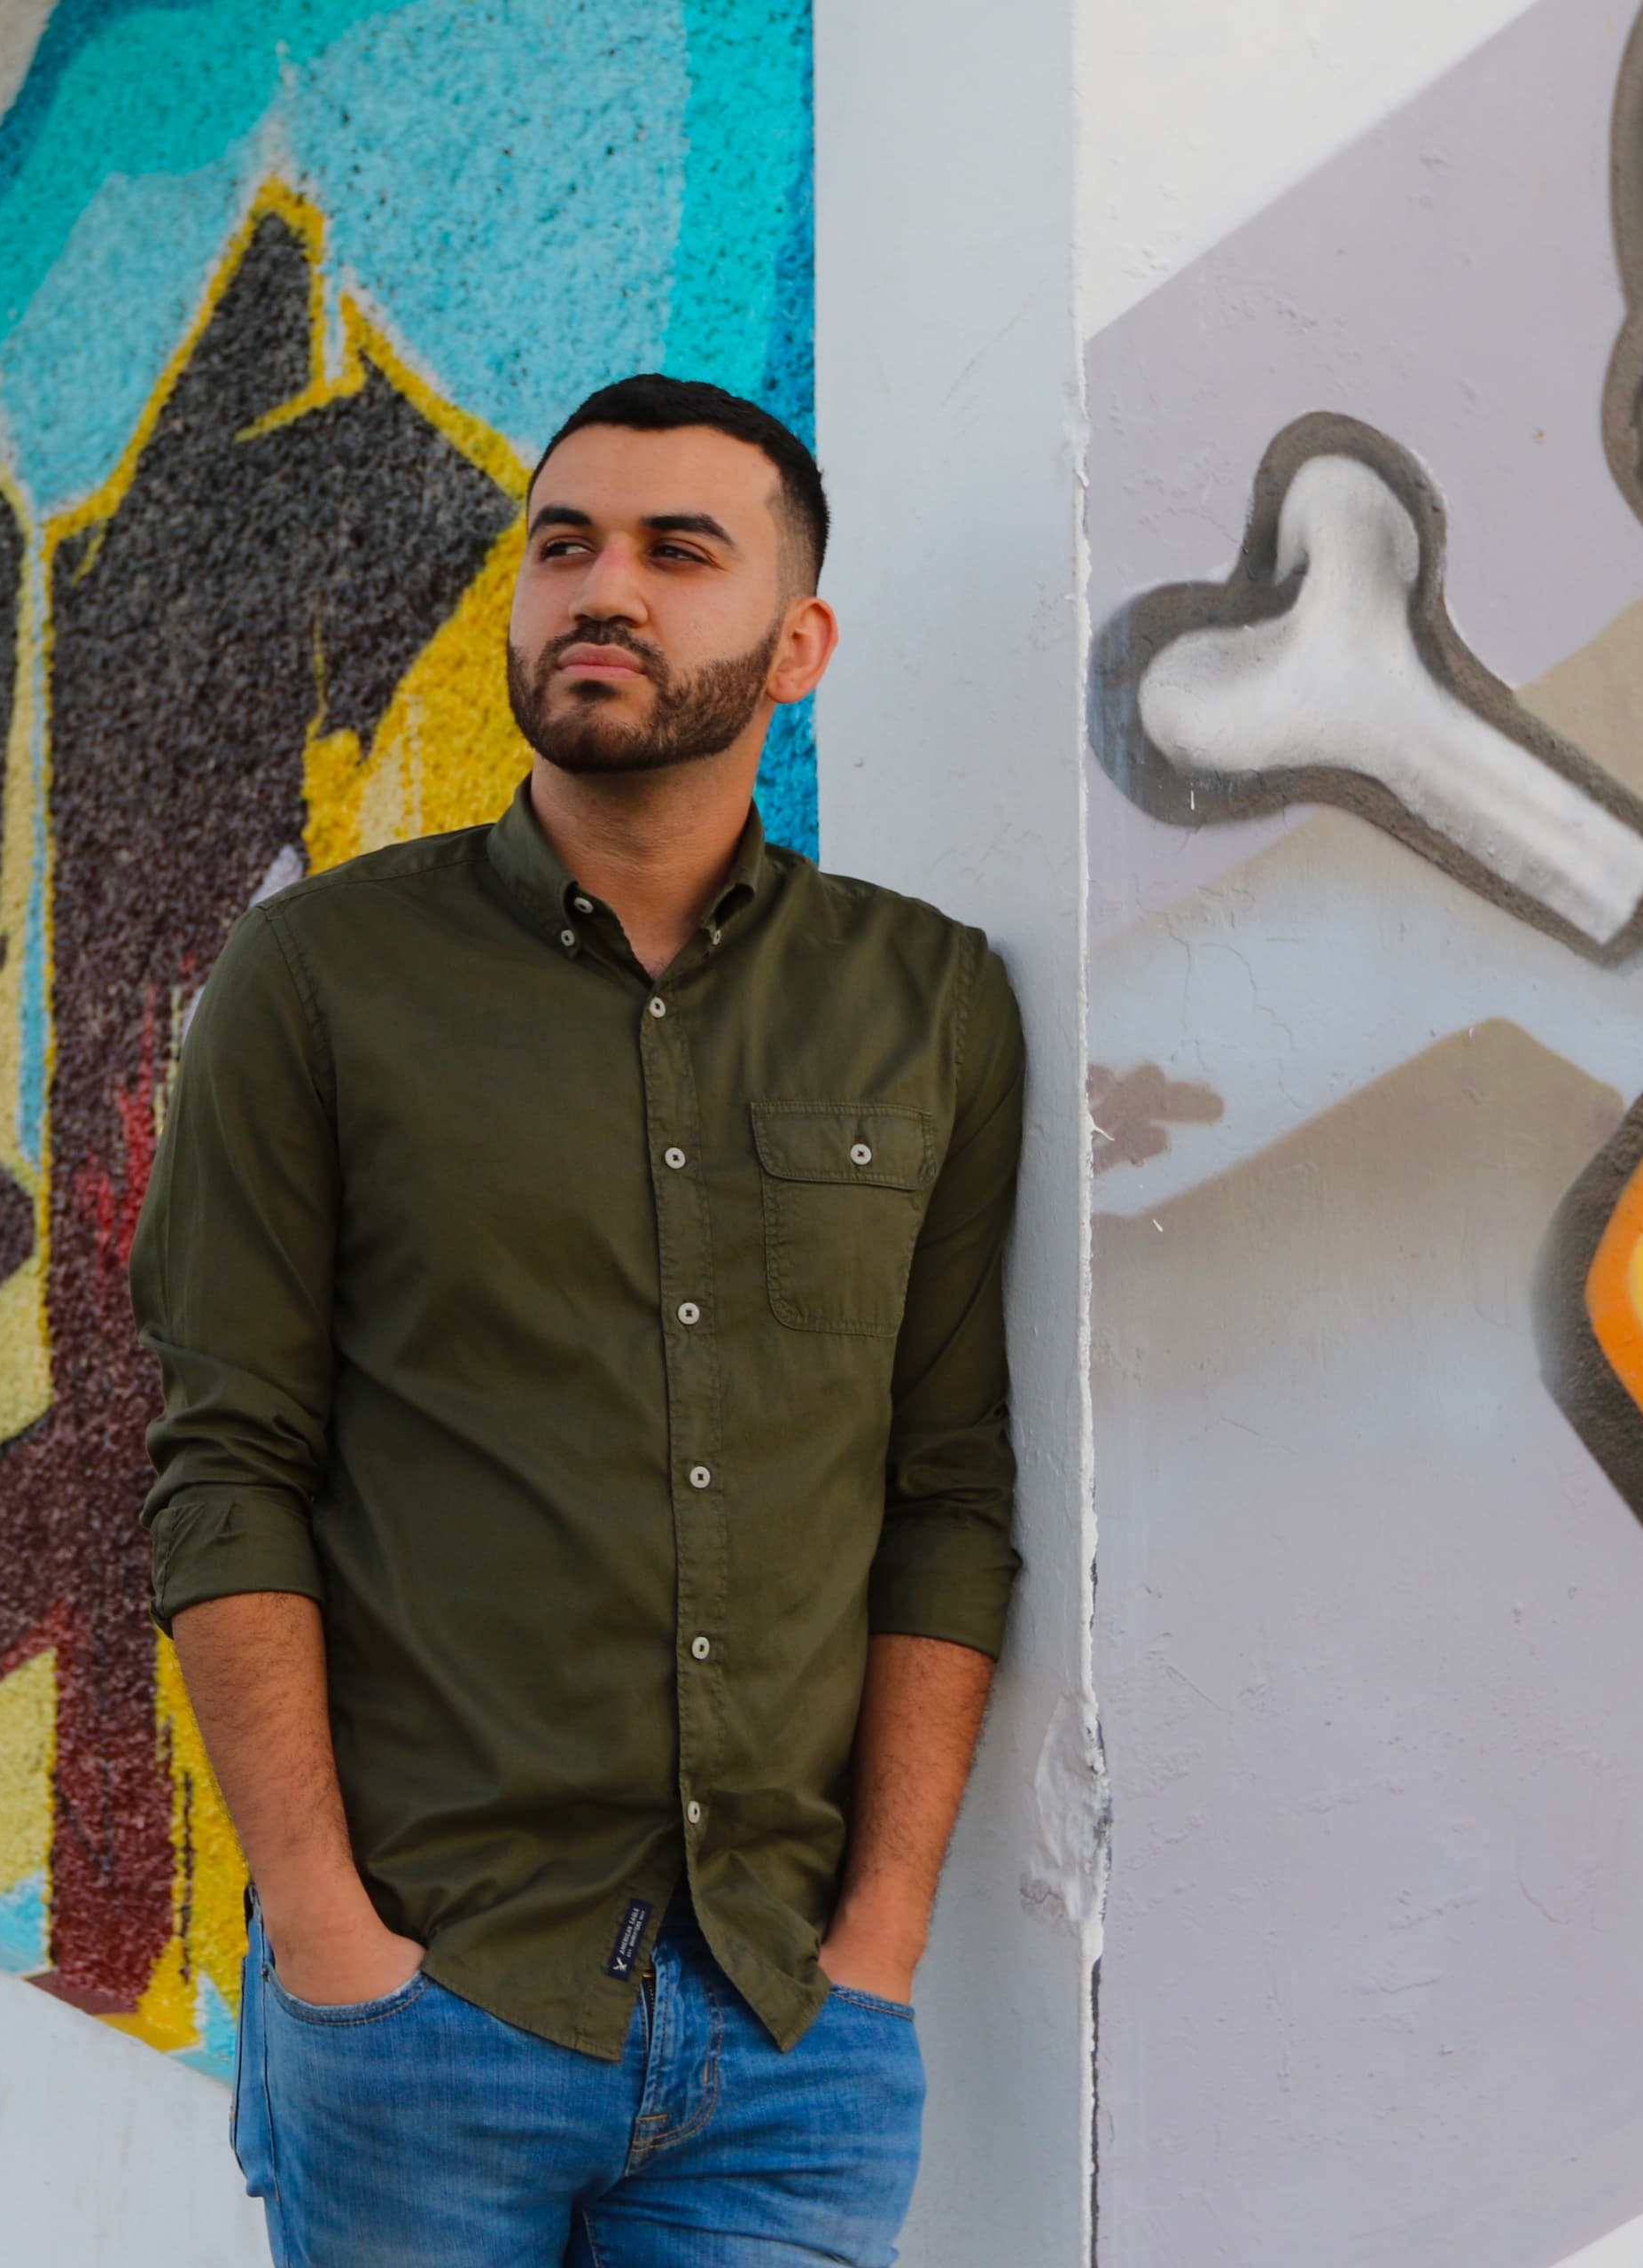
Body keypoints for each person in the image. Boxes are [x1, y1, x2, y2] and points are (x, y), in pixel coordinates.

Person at [132, 374, 1024, 2267]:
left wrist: (882, 1936)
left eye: (676, 552)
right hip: (431, 2010)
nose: (599, 589)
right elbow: (227, 1461)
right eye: (565, 545)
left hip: (793, 2033)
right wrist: (324, 1929)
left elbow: (948, 1485)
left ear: (799, 644)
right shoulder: (321, 979)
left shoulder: (927, 1000)